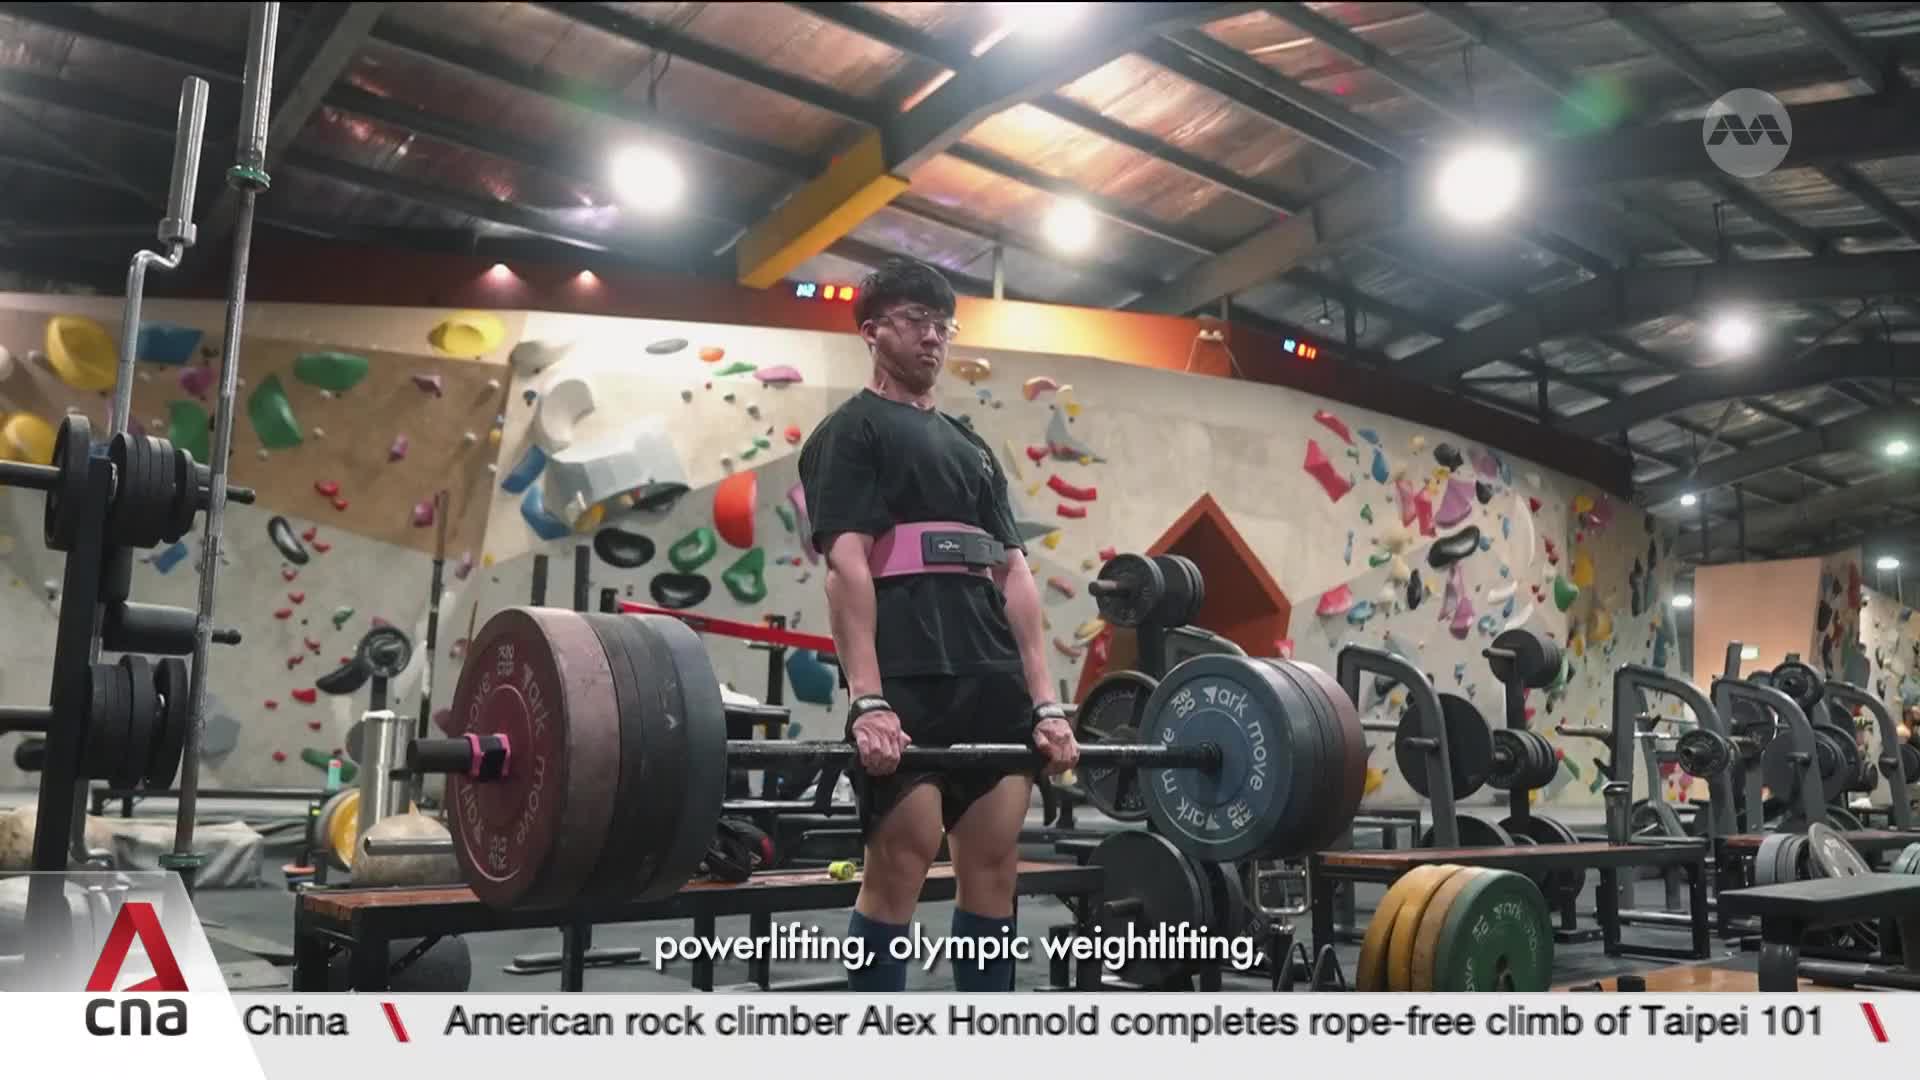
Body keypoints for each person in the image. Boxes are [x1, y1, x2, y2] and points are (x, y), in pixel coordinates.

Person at [798, 257, 1078, 992]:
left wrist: (1045, 698)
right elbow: (847, 567)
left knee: (993, 870)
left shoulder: (974, 447)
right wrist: (867, 698)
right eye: (916, 321)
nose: (933, 338)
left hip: (991, 681)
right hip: (908, 680)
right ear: (872, 331)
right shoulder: (848, 433)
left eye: (942, 325)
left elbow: (1013, 574)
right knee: (899, 867)